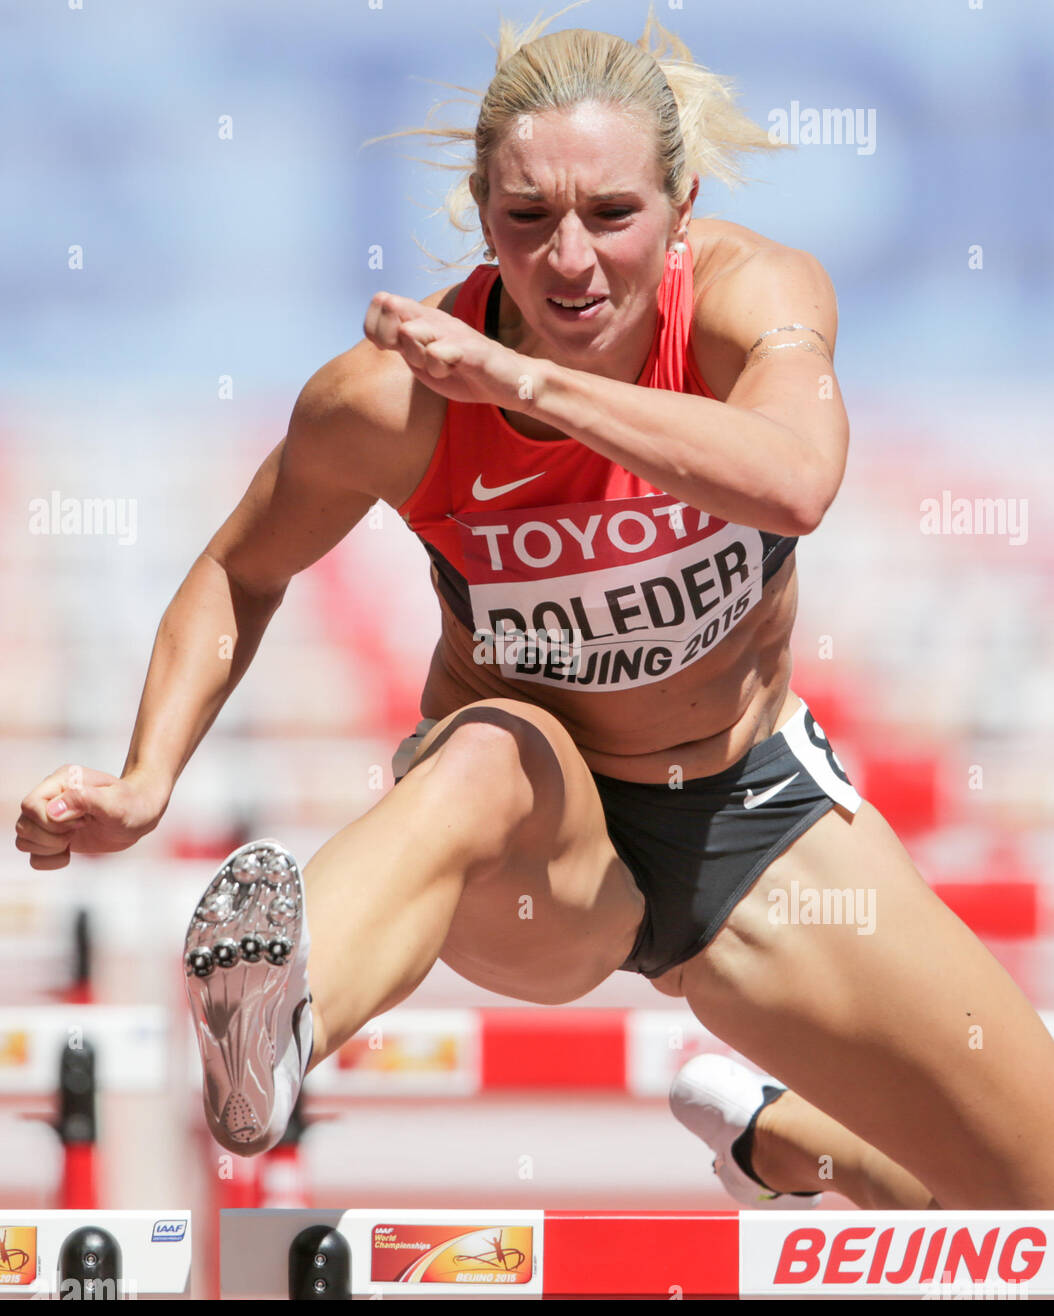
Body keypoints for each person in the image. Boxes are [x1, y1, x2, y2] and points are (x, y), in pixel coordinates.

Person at [15, 11, 1054, 1209]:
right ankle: (274, 1024)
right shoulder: (393, 399)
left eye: (613, 217)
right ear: (478, 208)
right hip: (532, 835)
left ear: (680, 204)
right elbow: (242, 568)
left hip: (748, 821)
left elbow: (798, 476)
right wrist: (149, 777)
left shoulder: (749, 298)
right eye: (528, 221)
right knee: (487, 756)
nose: (570, 261)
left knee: (1032, 1193)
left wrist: (530, 383)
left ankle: (788, 1142)